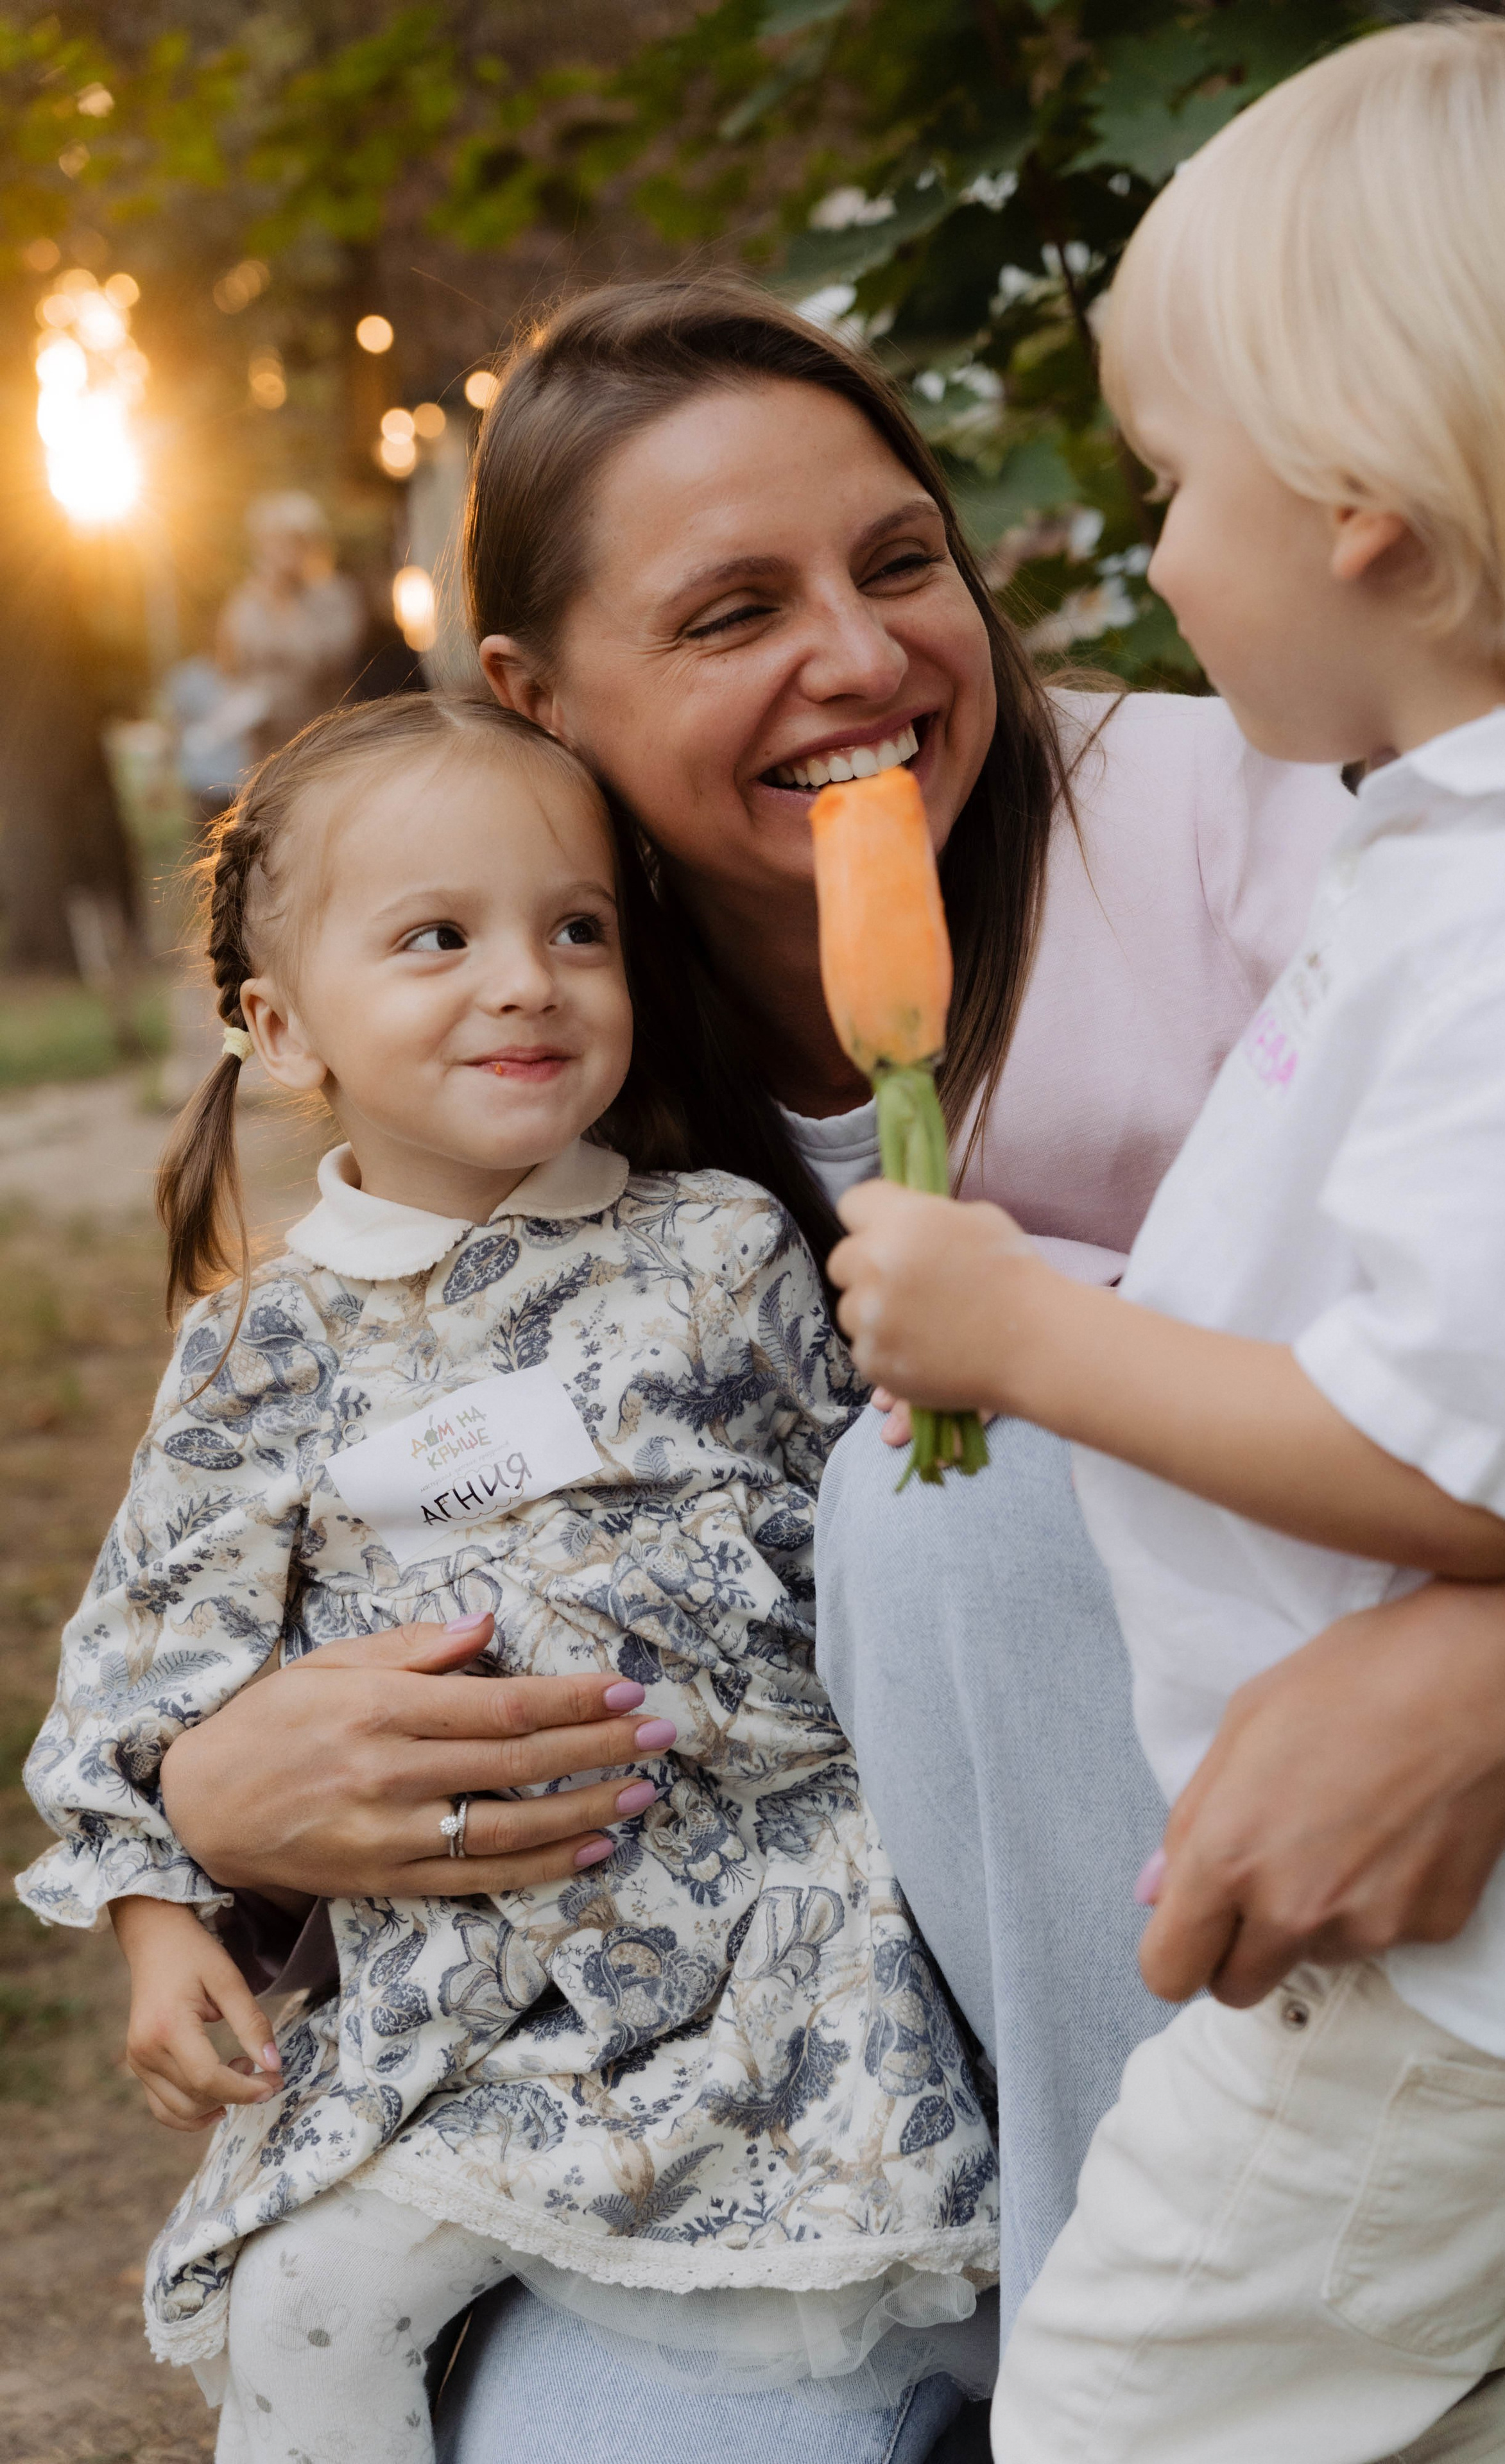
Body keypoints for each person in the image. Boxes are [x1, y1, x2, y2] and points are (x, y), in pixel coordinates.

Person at [142, 278, 1505, 2462]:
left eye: (901, 563)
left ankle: (1156, 2367)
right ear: (534, 693)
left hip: (1258, 1935)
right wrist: (206, 1810)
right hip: (755, 2067)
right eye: (734, 609)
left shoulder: (1262, 823)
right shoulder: (531, 1033)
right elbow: (318, 1495)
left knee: (963, 1500)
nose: (858, 659)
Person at [830, 21, 1505, 2459]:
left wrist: (1023, 1331)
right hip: (1414, 1952)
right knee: (1388, 2403)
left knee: (1122, 2411)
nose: (1145, 556)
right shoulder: (1471, 841)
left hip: (1462, 1952)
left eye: (1171, 482)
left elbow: (1459, 1461)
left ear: (1362, 511)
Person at [17, 693, 993, 2464]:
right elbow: (152, 1666)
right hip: (465, 1989)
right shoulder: (265, 1350)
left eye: (576, 929)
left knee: (822, 2308)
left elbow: (873, 1524)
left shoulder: (718, 1244)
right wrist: (161, 1932)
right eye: (437, 938)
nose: (527, 980)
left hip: (763, 1922)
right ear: (280, 1023)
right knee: (300, 2306)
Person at [218, 492, 365, 763]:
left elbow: (322, 662)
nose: (281, 551)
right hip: (263, 743)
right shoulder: (246, 601)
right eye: (272, 541)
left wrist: (283, 604)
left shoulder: (335, 596)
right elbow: (231, 665)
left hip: (320, 737)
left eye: (292, 541)